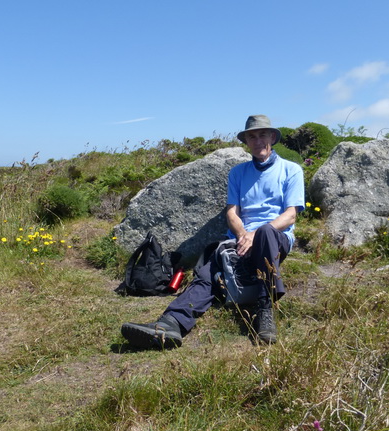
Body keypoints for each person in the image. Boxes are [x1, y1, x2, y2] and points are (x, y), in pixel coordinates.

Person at [121, 114, 305, 348]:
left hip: (274, 238)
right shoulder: (238, 173)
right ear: (246, 142)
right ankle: (170, 324)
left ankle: (265, 310)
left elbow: (291, 215)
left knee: (266, 232)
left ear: (272, 137)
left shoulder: (291, 170)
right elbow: (232, 213)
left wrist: (255, 234)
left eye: (262, 135)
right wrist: (243, 235)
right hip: (241, 240)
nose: (258, 140)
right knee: (206, 274)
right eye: (252, 136)